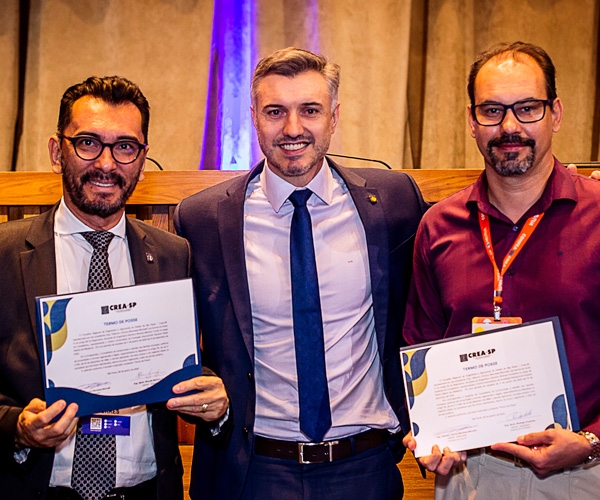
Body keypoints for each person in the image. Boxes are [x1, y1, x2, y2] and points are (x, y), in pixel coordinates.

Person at [175, 47, 428, 500]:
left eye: (309, 110)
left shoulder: (395, 202)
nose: (293, 129)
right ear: (253, 117)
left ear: (333, 117)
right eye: (275, 111)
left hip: (365, 467)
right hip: (256, 471)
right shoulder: (202, 220)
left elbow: (430, 297)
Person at [0, 76, 228, 500]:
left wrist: (215, 398)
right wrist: (18, 427)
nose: (106, 163)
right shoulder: (5, 254)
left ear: (142, 158)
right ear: (56, 152)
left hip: (146, 491)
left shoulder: (174, 254)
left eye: (125, 147)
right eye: (88, 142)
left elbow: (191, 364)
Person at [403, 41, 600, 499]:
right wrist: (428, 431)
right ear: (472, 121)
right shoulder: (438, 226)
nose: (509, 126)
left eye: (527, 108)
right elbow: (419, 344)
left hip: (584, 473)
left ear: (556, 113)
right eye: (492, 110)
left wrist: (591, 441)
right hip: (469, 475)